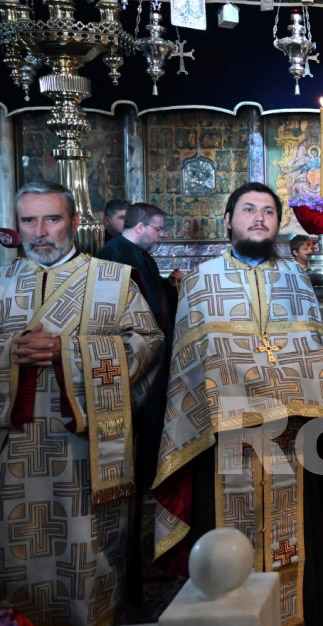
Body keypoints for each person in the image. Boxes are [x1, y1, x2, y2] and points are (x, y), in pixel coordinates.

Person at [152, 182, 323, 625]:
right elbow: (187, 365)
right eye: (248, 209)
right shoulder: (201, 281)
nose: (259, 217)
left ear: (277, 223)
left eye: (268, 211)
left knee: (293, 540)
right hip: (223, 441)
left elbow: (321, 353)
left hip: (291, 438)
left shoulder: (297, 278)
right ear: (228, 220)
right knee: (225, 542)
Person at [0, 181, 163, 625]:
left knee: (86, 554)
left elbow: (148, 345)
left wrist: (68, 353)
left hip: (87, 452)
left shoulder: (113, 280)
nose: (40, 232)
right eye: (29, 220)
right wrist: (10, 353)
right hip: (14, 452)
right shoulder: (3, 281)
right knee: (16, 551)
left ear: (73, 221)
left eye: (52, 219)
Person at [95, 202, 184, 604]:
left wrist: (171, 287)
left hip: (152, 362)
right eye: (159, 229)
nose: (161, 235)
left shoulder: (138, 255)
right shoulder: (114, 256)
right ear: (142, 227)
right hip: (133, 371)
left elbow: (154, 299)